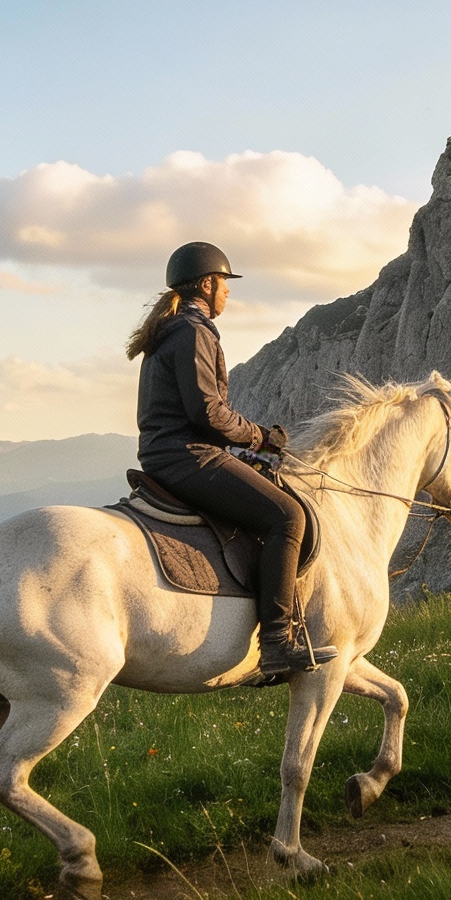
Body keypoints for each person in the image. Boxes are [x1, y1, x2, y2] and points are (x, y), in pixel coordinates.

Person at [127, 241, 331, 681]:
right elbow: (208, 413)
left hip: (171, 452)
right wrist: (261, 437)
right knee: (288, 516)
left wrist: (250, 446)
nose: (228, 294)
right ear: (207, 283)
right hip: (188, 457)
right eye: (225, 284)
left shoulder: (173, 329)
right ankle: (277, 643)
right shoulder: (193, 332)